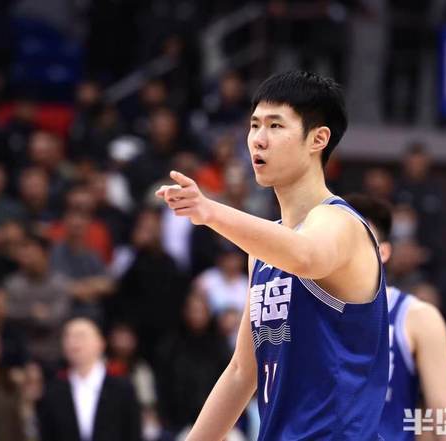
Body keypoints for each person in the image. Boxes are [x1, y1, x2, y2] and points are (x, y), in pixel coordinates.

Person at [156, 71, 388, 440]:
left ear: (318, 139)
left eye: (275, 125)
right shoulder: (263, 254)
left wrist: (210, 211)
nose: (258, 139)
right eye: (254, 125)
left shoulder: (340, 222)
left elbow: (306, 256)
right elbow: (241, 373)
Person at [344, 194, 446, 441]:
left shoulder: (418, 317)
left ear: (383, 252)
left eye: (359, 241)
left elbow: (444, 418)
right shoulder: (306, 312)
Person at [37, 317, 141, 441]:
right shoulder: (53, 390)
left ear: (100, 343)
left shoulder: (122, 388)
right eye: (68, 336)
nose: (73, 342)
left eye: (81, 336)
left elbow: (133, 433)